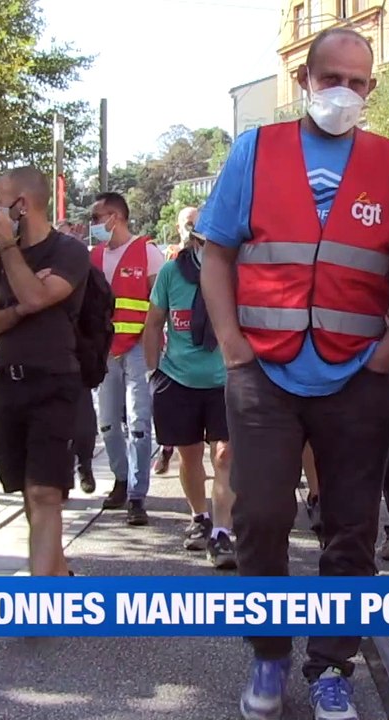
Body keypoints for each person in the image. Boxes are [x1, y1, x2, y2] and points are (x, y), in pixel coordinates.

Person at [199, 27, 389, 720]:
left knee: (351, 529)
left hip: (360, 376)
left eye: (358, 83)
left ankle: (333, 667)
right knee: (261, 516)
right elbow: (216, 253)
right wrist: (233, 344)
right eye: (332, 78)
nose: (344, 93)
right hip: (264, 373)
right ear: (304, 78)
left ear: (371, 89)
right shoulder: (256, 151)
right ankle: (269, 654)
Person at [0, 166, 90, 577]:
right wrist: (18, 309)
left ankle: (41, 596)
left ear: (22, 205)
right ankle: (56, 572)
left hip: (55, 381)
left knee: (44, 492)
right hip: (8, 385)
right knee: (28, 492)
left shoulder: (68, 252)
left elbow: (40, 295)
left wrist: (9, 251)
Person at [143, 227, 236, 569]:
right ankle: (200, 516)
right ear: (194, 243)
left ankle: (223, 532)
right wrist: (153, 373)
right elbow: (154, 323)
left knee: (225, 455)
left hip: (225, 380)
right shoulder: (171, 273)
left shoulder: (235, 272)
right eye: (203, 242)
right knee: (190, 456)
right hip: (179, 379)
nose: (210, 248)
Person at [89, 192, 165, 524]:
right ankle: (121, 477)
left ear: (115, 217)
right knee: (106, 423)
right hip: (102, 351)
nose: (94, 224)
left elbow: (159, 303)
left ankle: (136, 494)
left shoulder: (148, 253)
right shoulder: (91, 257)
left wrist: (154, 351)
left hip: (137, 348)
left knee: (138, 424)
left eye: (97, 217)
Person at [154, 206, 199, 477]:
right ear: (178, 227)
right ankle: (166, 449)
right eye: (187, 224)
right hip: (174, 352)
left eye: (195, 223)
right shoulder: (169, 260)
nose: (190, 228)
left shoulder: (214, 259)